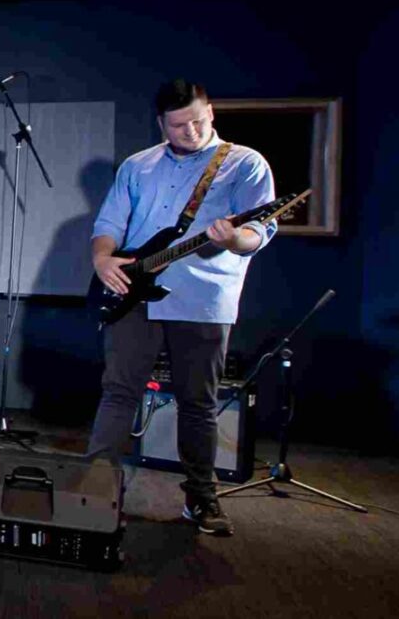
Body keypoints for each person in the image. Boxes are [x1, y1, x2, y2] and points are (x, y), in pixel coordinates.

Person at [84, 80, 275, 537]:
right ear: (160, 124)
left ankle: (201, 498)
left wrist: (235, 238)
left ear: (211, 112)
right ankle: (96, 492)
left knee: (198, 402)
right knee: (118, 391)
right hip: (134, 293)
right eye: (178, 125)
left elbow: (259, 232)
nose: (190, 131)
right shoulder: (138, 165)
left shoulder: (245, 164)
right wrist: (103, 259)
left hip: (203, 299)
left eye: (197, 121)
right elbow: (109, 222)